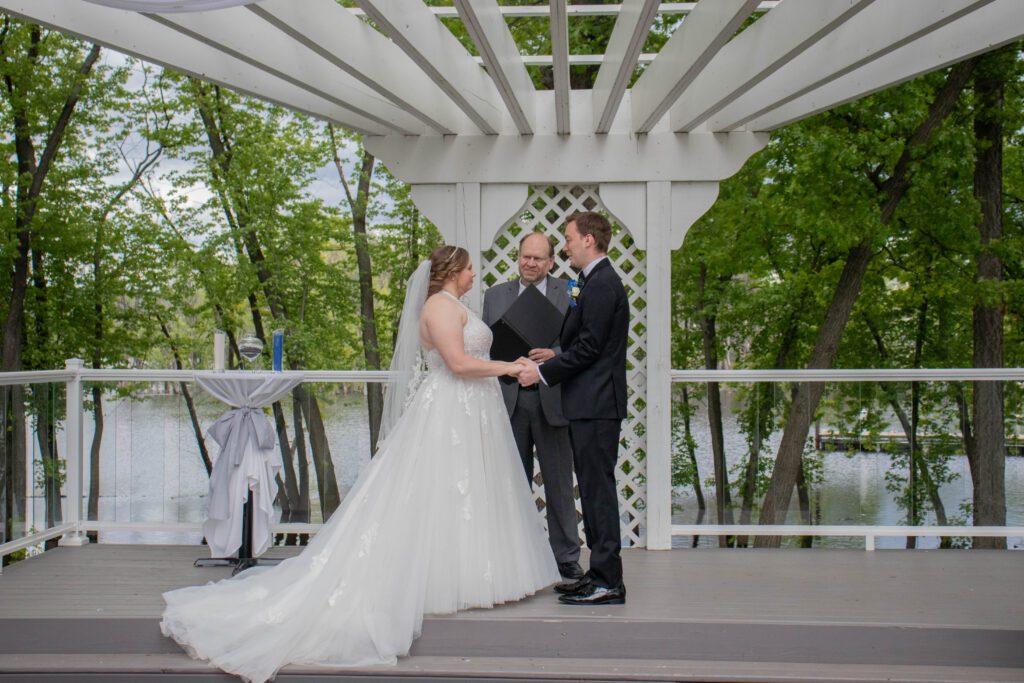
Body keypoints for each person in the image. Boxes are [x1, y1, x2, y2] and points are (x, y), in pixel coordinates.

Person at [160, 246, 560, 682]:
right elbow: (460, 364)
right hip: (451, 410)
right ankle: (440, 580)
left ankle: (472, 575)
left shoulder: (455, 305)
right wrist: (511, 366)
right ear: (452, 272)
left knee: (462, 494)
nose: (473, 275)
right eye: (468, 269)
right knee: (442, 490)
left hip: (470, 411)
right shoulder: (440, 307)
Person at [517, 212, 629, 606]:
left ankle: (608, 582)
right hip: (588, 404)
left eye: (568, 239)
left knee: (599, 494)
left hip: (597, 405)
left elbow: (589, 349)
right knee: (594, 491)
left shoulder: (602, 285)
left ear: (589, 240)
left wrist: (543, 372)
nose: (565, 246)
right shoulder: (591, 282)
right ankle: (598, 575)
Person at [481, 232, 582, 582]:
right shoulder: (495, 296)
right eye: (526, 256)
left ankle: (567, 556)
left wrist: (555, 355)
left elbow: (585, 343)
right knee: (512, 483)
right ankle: (515, 556)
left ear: (551, 261)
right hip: (509, 400)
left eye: (538, 258)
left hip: (552, 397)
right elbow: (485, 349)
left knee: (558, 483)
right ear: (518, 257)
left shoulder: (570, 292)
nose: (530, 263)